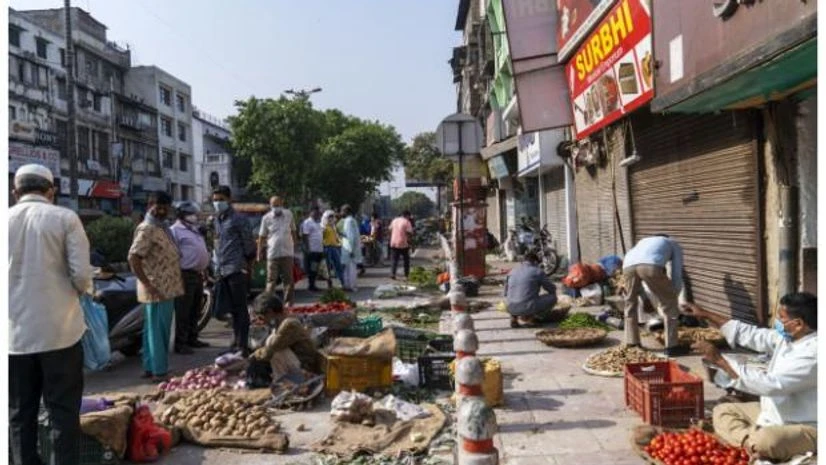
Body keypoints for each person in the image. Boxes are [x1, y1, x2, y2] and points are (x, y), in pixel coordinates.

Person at [9, 165, 93, 465]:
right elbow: (82, 276)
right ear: (51, 191)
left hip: (14, 339)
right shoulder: (65, 218)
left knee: (19, 415)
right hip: (60, 333)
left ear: (15, 192)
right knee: (63, 413)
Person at [682, 293, 817, 462]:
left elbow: (771, 385)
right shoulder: (789, 338)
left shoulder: (813, 354)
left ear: (798, 324)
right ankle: (753, 444)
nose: (778, 324)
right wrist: (706, 314)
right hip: (775, 414)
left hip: (808, 425)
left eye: (782, 319)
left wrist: (720, 360)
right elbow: (751, 334)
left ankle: (758, 443)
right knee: (723, 411)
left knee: (767, 440)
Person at [128, 191, 184, 381]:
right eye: (158, 207)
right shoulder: (147, 229)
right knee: (158, 331)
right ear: (150, 205)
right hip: (157, 289)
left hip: (167, 287)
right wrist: (147, 284)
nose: (162, 211)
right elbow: (133, 257)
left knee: (152, 331)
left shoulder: (161, 228)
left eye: (165, 207)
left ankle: (151, 366)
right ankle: (159, 371)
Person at [622, 234, 688, 357]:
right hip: (650, 265)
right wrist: (674, 295)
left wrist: (644, 298)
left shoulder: (643, 242)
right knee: (670, 304)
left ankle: (632, 343)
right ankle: (672, 347)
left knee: (630, 303)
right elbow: (676, 272)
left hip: (627, 265)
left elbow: (638, 272)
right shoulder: (673, 243)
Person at [212, 185, 256, 356]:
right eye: (215, 200)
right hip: (222, 270)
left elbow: (249, 244)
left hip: (236, 269)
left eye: (221, 200)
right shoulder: (217, 220)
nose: (218, 203)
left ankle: (242, 345)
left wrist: (248, 263)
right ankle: (236, 342)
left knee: (240, 309)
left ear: (229, 200)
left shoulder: (238, 219)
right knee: (230, 310)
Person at [249, 292, 324, 376]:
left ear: (270, 312)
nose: (262, 321)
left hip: (305, 367)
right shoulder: (279, 323)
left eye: (261, 318)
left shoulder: (289, 324)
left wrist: (252, 357)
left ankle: (287, 381)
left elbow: (271, 350)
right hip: (296, 362)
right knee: (271, 343)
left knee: (276, 351)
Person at [170, 201, 211, 354]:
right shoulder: (175, 230)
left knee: (195, 308)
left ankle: (193, 337)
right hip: (184, 274)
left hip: (198, 273)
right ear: (181, 215)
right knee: (183, 310)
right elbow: (173, 255)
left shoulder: (194, 230)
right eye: (190, 214)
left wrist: (204, 268)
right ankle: (180, 343)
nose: (194, 216)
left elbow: (201, 250)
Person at [258, 196, 297, 306]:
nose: (276, 207)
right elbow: (261, 237)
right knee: (271, 281)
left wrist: (295, 246)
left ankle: (288, 304)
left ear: (282, 203)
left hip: (287, 252)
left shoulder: (289, 214)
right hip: (272, 254)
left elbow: (293, 231)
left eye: (278, 205)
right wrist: (259, 253)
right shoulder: (266, 218)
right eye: (274, 206)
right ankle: (268, 305)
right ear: (270, 206)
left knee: (288, 281)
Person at [504, 251, 558, 328]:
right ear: (535, 262)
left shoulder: (512, 271)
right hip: (527, 306)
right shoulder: (537, 271)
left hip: (510, 306)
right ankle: (531, 319)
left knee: (516, 297)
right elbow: (551, 289)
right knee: (553, 298)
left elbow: (505, 293)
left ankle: (514, 318)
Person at [338, 205, 363, 292]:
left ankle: (351, 286)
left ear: (346, 212)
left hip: (349, 248)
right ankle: (348, 285)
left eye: (342, 211)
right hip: (350, 248)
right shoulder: (351, 220)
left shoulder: (348, 221)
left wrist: (351, 250)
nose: (341, 213)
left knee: (351, 268)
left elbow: (351, 237)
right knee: (349, 268)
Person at [301, 206, 325, 292]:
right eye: (315, 212)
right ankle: (311, 285)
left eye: (318, 213)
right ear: (311, 212)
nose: (317, 214)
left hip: (319, 250)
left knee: (316, 269)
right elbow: (305, 236)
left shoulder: (318, 222)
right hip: (312, 250)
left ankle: (313, 284)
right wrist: (308, 249)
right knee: (312, 269)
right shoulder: (307, 222)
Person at [322, 209, 345, 289]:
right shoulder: (323, 227)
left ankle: (342, 282)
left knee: (338, 265)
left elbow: (336, 237)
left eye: (332, 217)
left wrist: (340, 243)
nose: (331, 219)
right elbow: (321, 239)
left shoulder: (333, 227)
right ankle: (329, 284)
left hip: (335, 247)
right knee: (328, 267)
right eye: (329, 217)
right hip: (327, 248)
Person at [388, 210, 415, 280]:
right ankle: (406, 275)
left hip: (393, 242)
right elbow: (409, 233)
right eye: (409, 216)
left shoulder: (394, 220)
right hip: (403, 243)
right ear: (407, 215)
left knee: (394, 260)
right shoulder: (407, 222)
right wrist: (411, 243)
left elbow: (390, 230)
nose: (409, 218)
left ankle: (393, 274)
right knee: (406, 260)